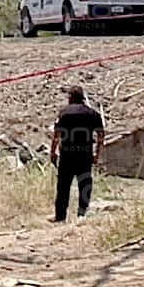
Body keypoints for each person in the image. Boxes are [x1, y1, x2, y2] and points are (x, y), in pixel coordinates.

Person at [49, 85, 104, 223]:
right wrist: (97, 154)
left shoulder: (64, 112)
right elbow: (101, 135)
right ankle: (82, 213)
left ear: (71, 98)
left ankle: (60, 216)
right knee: (85, 184)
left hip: (67, 154)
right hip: (84, 154)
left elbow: (57, 134)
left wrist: (53, 151)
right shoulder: (92, 113)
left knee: (63, 186)